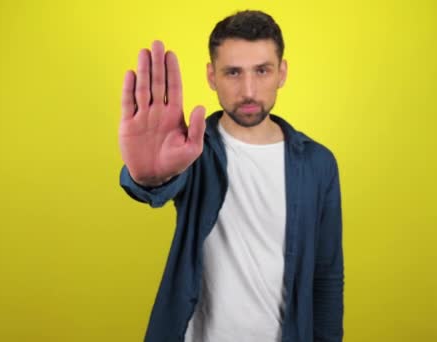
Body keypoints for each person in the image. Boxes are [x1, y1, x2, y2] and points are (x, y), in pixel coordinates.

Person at [118, 10, 344, 342]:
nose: (248, 90)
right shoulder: (192, 150)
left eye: (262, 71)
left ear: (282, 72)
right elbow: (160, 185)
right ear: (212, 76)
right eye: (233, 72)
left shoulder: (317, 163)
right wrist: (149, 178)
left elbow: (326, 275)